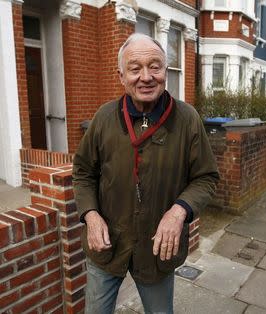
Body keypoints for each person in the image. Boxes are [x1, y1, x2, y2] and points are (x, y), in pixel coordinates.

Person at [73, 33, 219, 314]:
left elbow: (206, 177)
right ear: (121, 76)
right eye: (135, 68)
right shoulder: (104, 118)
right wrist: (90, 216)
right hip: (107, 246)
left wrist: (178, 212)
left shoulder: (187, 119)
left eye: (155, 66)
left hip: (157, 250)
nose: (146, 76)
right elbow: (82, 172)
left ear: (165, 71)